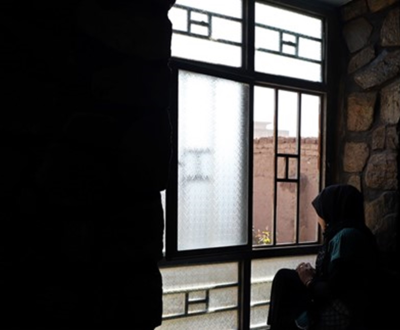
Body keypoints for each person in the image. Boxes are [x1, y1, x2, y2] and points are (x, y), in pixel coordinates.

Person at [267, 184, 378, 330]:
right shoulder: (347, 233)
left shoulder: (346, 237)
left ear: (333, 209)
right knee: (286, 278)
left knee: (285, 283)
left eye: (321, 211)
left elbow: (334, 289)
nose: (319, 217)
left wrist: (308, 279)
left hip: (341, 312)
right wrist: (312, 275)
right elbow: (339, 276)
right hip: (336, 301)